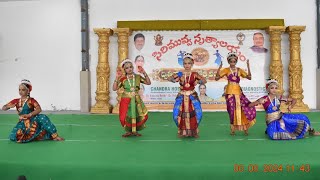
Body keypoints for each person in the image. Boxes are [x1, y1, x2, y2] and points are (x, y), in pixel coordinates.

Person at [249, 79, 320, 140]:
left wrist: (290, 106)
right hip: (271, 120)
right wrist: (259, 102)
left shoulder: (279, 97)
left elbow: (294, 100)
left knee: (303, 118)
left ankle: (312, 131)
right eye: (272, 88)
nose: (274, 90)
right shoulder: (264, 99)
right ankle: (269, 129)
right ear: (268, 89)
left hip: (281, 117)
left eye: (276, 88)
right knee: (273, 135)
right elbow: (250, 105)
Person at [215, 52, 256, 136]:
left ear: (236, 61)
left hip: (238, 92)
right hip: (229, 93)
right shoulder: (226, 70)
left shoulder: (239, 70)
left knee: (243, 109)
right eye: (231, 61)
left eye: (234, 61)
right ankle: (233, 129)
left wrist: (248, 66)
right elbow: (216, 78)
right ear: (228, 61)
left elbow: (249, 77)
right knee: (231, 111)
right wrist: (219, 68)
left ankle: (245, 128)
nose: (232, 63)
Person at [168, 53, 207, 138]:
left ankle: (194, 131)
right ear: (183, 64)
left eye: (189, 63)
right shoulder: (180, 74)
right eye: (185, 63)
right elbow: (169, 79)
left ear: (192, 64)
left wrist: (199, 82)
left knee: (198, 114)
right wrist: (174, 78)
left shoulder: (195, 74)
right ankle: (181, 130)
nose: (187, 65)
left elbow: (204, 80)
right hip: (181, 96)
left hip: (192, 96)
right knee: (176, 115)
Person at [112, 59, 151, 137]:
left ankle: (134, 131)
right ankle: (128, 131)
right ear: (124, 70)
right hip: (126, 100)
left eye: (130, 67)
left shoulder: (138, 77)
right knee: (125, 116)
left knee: (138, 114)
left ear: (133, 67)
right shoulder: (123, 79)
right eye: (127, 68)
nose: (129, 69)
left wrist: (144, 72)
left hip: (136, 99)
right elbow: (114, 88)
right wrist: (117, 78)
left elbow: (148, 82)